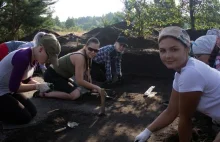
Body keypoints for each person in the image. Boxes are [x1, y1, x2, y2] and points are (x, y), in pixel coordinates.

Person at [134, 26, 220, 142]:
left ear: (186, 48)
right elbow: (172, 110)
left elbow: (185, 119)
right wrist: (147, 131)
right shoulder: (181, 73)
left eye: (174, 49)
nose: (168, 55)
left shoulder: (191, 72)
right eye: (163, 50)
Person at [0, 33, 61, 124]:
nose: (49, 61)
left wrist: (43, 86)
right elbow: (14, 87)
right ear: (41, 49)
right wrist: (37, 86)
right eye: (49, 58)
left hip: (7, 89)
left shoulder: (34, 57)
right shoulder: (23, 58)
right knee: (24, 118)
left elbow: (25, 79)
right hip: (4, 90)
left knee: (33, 112)